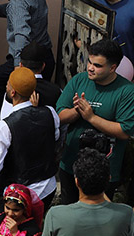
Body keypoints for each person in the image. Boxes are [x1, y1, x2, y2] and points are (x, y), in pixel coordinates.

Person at [56, 38, 134, 205]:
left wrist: (91, 117)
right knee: (69, 210)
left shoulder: (126, 91)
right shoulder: (79, 80)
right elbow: (60, 117)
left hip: (104, 171)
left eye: (97, 65)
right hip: (71, 164)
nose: (90, 68)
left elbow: (124, 131)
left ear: (113, 67)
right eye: (89, 62)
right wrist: (76, 111)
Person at [0, 67, 60, 210]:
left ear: (12, 92)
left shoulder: (4, 126)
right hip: (47, 188)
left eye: (8, 84)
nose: (6, 86)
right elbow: (54, 137)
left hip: (19, 195)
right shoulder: (50, 113)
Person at [0, 0, 55, 115]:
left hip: (27, 59)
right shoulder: (20, 4)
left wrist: (18, 66)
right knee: (40, 97)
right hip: (45, 56)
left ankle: (9, 118)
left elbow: (21, 34)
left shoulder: (18, 3)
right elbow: (12, 10)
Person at [0, 41, 62, 120]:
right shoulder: (56, 91)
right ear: (43, 66)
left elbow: (4, 119)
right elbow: (60, 122)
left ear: (21, 65)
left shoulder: (14, 89)